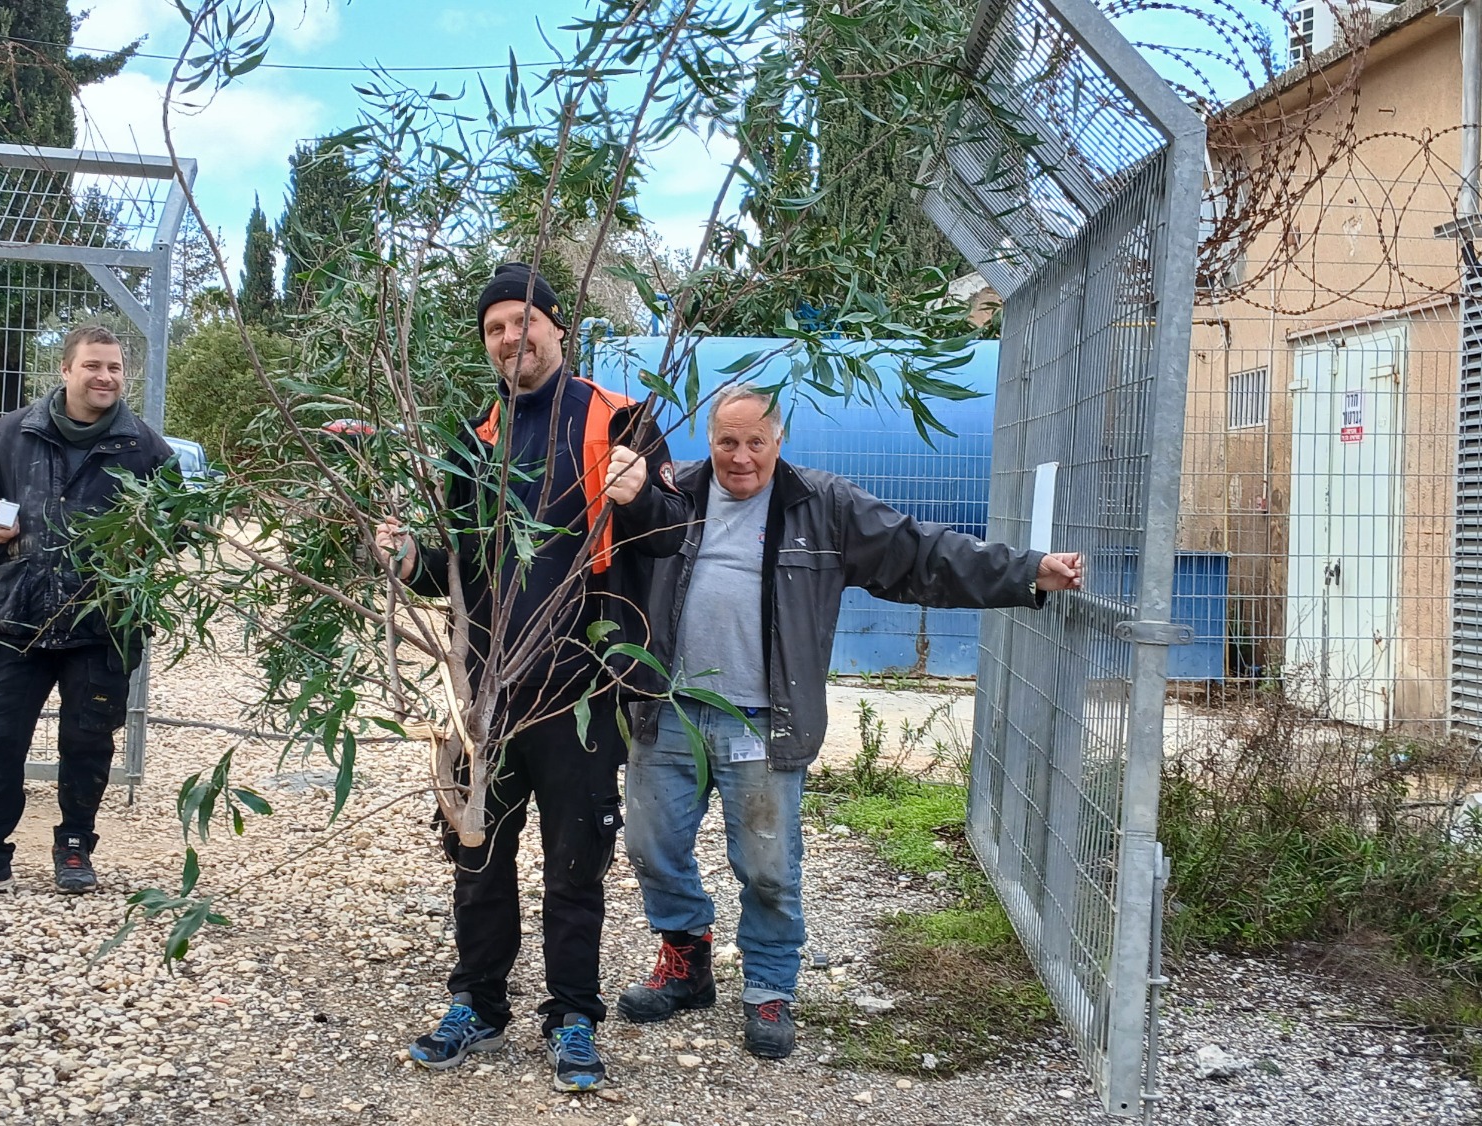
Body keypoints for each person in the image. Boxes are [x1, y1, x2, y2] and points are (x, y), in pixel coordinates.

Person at [615, 384, 1084, 1059]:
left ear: (779, 442)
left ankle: (770, 987)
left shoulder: (822, 506)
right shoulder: (672, 495)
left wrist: (1027, 573)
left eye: (755, 442)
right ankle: (686, 962)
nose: (740, 458)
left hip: (761, 720)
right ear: (709, 440)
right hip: (670, 712)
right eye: (727, 441)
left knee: (769, 869)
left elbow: (921, 554)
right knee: (650, 849)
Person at [373, 263, 691, 1093]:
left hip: (581, 688)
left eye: (525, 321)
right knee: (477, 848)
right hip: (488, 691)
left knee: (576, 857)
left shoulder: (621, 420)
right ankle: (477, 1001)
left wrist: (636, 498)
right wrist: (409, 560)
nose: (513, 338)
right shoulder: (472, 442)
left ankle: (573, 1016)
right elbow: (458, 567)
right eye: (495, 328)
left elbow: (668, 535)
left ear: (558, 327)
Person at [0, 324, 173, 898]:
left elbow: (175, 525)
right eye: (93, 366)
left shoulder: (144, 447)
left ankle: (74, 847)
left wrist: (151, 541)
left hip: (102, 625)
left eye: (116, 368)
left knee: (88, 742)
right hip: (16, 619)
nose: (106, 377)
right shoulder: (11, 434)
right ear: (66, 371)